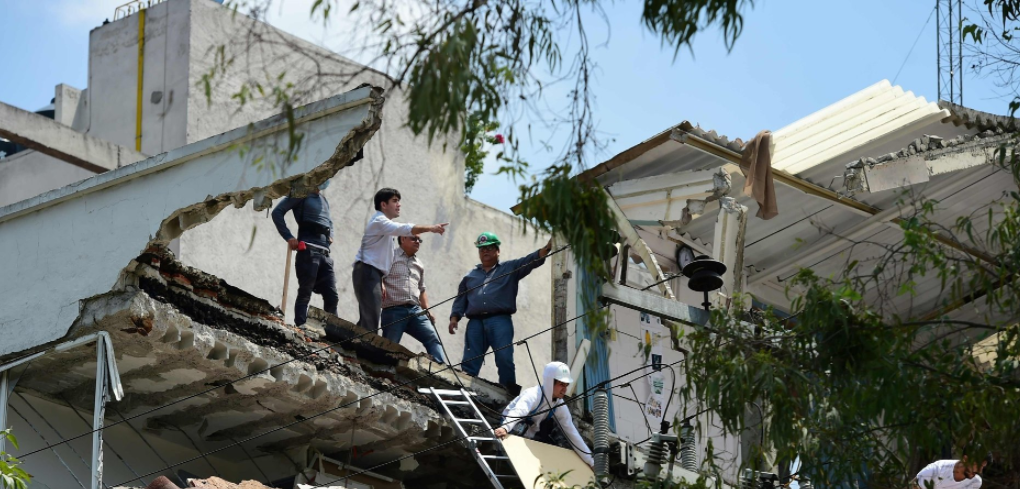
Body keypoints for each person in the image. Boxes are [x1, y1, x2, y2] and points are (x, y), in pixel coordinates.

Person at [449, 232, 552, 393]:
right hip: (475, 322)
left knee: (504, 356)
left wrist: (547, 248)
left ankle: (508, 390)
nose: (485, 251)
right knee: (470, 359)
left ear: (498, 251)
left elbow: (530, 261)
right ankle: (464, 388)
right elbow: (461, 299)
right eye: (482, 249)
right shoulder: (470, 276)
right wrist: (454, 318)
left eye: (489, 248)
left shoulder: (509, 268)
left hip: (499, 320)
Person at [353, 188, 447, 332]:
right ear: (383, 204)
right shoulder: (379, 221)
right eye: (395, 201)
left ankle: (354, 343)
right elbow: (404, 228)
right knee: (370, 320)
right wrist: (431, 228)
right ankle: (359, 345)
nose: (399, 204)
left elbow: (381, 258)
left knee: (368, 318)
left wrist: (381, 279)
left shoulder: (384, 227)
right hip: (367, 271)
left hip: (372, 273)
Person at [494, 361, 594, 468]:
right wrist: (505, 427)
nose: (565, 389)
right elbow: (519, 411)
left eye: (566, 385)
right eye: (561, 384)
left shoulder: (559, 405)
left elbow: (572, 433)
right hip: (509, 432)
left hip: (526, 439)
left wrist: (591, 461)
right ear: (550, 382)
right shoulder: (533, 394)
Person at [271, 180, 337, 326]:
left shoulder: (324, 200)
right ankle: (301, 325)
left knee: (332, 297)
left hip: (325, 254)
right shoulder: (301, 194)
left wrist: (331, 235)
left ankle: (332, 330)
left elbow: (330, 222)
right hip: (308, 251)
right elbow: (277, 212)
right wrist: (289, 237)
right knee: (305, 292)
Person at [380, 235, 445, 363]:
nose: (417, 242)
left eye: (419, 240)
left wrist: (427, 309)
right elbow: (377, 274)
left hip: (415, 311)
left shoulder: (419, 264)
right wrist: (380, 282)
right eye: (414, 238)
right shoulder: (390, 255)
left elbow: (422, 289)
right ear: (403, 239)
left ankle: (440, 367)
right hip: (393, 310)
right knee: (390, 346)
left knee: (432, 338)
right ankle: (384, 369)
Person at [915, 456, 988, 489]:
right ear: (965, 459)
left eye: (983, 467)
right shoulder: (936, 470)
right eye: (978, 465)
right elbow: (914, 485)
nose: (980, 470)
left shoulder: (975, 482)